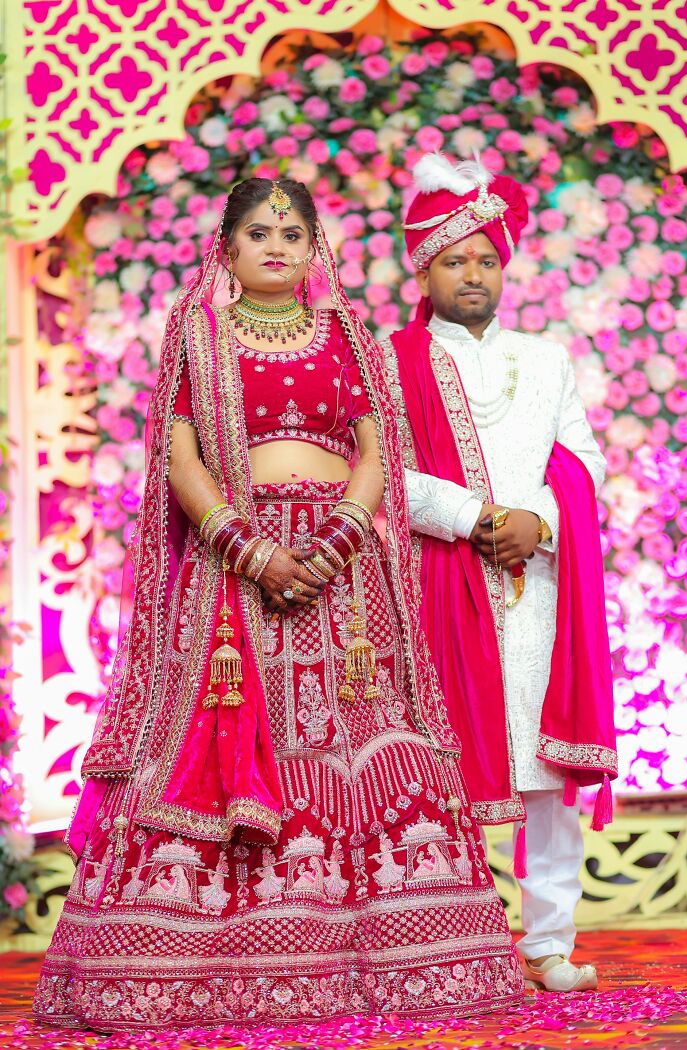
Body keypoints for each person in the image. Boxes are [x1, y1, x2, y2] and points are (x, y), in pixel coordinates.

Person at [34, 177, 523, 1030]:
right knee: (221, 738)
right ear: (225, 248)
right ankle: (201, 966)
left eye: (292, 234)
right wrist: (247, 547)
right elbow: (181, 459)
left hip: (345, 572)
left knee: (365, 740)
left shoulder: (348, 335)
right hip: (234, 571)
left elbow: (375, 448)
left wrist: (336, 537)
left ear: (312, 249)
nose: (275, 246)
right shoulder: (200, 333)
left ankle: (400, 957)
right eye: (258, 232)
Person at [383, 154, 617, 993]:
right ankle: (454, 941)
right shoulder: (390, 359)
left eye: (485, 257)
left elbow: (585, 465)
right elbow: (381, 475)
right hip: (438, 588)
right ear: (424, 268)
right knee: (445, 770)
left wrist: (539, 523)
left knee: (546, 776)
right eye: (454, 259)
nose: (472, 273)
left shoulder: (547, 358)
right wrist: (475, 520)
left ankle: (549, 941)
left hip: (543, 591)